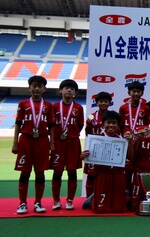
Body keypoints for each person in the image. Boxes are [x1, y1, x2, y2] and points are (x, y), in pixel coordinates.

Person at [12, 75, 55, 214]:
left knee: (40, 172)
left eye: (40, 86)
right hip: (26, 139)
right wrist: (15, 143)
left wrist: (52, 143)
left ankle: (38, 202)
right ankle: (22, 203)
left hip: (42, 140)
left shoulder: (48, 105)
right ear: (29, 88)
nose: (37, 89)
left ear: (44, 89)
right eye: (34, 86)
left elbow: (52, 126)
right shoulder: (23, 104)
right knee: (25, 172)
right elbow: (18, 124)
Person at [81, 111, 132, 213]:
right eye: (108, 123)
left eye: (114, 123)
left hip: (118, 174)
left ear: (118, 125)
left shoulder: (122, 140)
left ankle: (95, 198)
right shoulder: (96, 139)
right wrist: (83, 156)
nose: (111, 125)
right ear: (103, 124)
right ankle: (92, 199)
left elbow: (130, 156)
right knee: (101, 209)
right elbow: (87, 156)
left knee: (118, 209)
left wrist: (130, 143)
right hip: (102, 174)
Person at [50, 79, 84, 211]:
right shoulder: (54, 107)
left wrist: (71, 134)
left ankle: (70, 200)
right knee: (57, 171)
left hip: (72, 141)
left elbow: (80, 124)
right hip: (58, 142)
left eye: (72, 88)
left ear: (75, 92)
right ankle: (56, 200)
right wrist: (53, 141)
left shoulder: (78, 108)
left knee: (72, 171)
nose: (69, 90)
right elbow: (51, 126)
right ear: (60, 90)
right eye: (66, 88)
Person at [83, 91, 112, 197]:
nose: (103, 103)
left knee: (105, 175)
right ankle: (88, 199)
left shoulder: (111, 117)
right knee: (91, 175)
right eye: (101, 101)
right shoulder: (91, 116)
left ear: (109, 103)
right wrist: (88, 125)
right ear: (97, 103)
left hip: (107, 150)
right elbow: (87, 133)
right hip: (93, 150)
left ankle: (103, 197)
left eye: (105, 101)